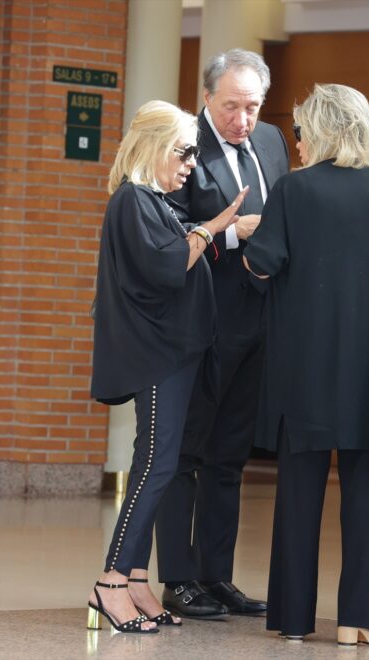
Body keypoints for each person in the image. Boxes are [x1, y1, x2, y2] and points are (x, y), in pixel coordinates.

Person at [243, 83, 369, 645]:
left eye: (302, 131)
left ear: (322, 130)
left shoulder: (293, 190)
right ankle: (360, 620)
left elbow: (263, 265)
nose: (298, 143)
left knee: (300, 494)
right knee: (364, 495)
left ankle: (294, 619)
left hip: (304, 368)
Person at [87, 100, 248, 634]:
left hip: (177, 354)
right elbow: (165, 265)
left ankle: (136, 578)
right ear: (153, 147)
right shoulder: (132, 200)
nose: (189, 166)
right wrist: (216, 225)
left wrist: (209, 232)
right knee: (156, 465)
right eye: (183, 153)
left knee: (164, 462)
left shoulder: (154, 202)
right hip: (159, 355)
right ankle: (110, 581)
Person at [154, 48, 290, 620]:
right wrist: (232, 234)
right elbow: (165, 229)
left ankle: (217, 577)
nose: (242, 120)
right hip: (202, 323)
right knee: (185, 453)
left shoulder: (275, 142)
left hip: (261, 320)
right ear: (206, 97)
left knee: (230, 456)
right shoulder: (183, 144)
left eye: (252, 107)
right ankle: (178, 579)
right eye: (231, 106)